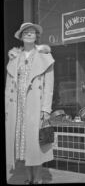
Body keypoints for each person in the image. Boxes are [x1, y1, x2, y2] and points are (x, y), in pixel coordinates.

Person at [5, 22, 55, 184]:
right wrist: (7, 108)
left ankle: (38, 177)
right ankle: (28, 177)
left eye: (32, 32)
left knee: (36, 145)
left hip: (36, 106)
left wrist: (46, 109)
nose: (29, 34)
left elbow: (49, 86)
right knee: (23, 144)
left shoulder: (45, 58)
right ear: (21, 36)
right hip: (17, 108)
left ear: (36, 36)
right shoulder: (14, 58)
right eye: (26, 32)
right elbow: (8, 87)